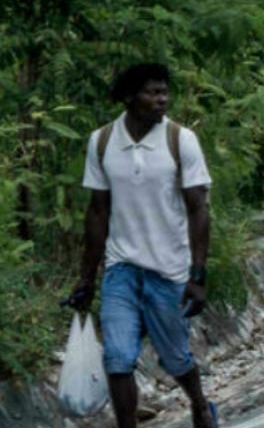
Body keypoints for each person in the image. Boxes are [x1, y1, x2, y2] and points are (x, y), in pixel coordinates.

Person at [64, 64, 218, 428]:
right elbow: (98, 211)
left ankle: (198, 403)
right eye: (153, 92)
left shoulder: (180, 140)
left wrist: (197, 273)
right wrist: (86, 278)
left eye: (165, 92)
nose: (162, 100)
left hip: (169, 270)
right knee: (117, 358)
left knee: (175, 358)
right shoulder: (101, 142)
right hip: (121, 269)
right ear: (129, 97)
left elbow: (199, 209)